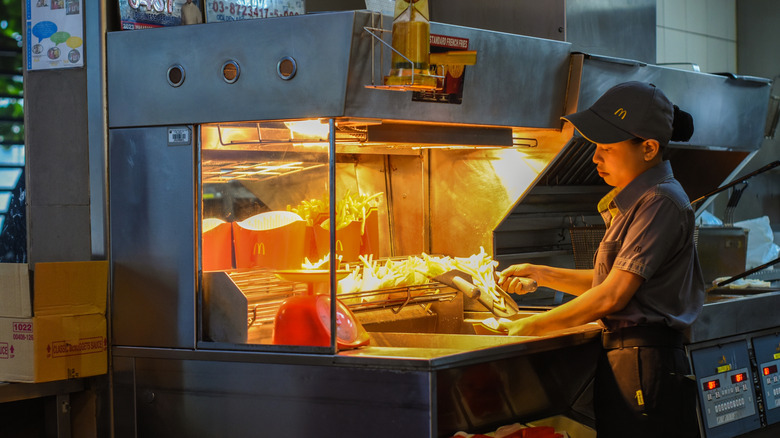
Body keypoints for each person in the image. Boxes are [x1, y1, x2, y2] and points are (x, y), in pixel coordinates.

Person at [498, 81, 704, 437]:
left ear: (649, 148)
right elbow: (608, 283)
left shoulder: (660, 202)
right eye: (594, 148)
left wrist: (529, 328)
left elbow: (613, 296)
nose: (595, 158)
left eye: (606, 148)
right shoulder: (635, 202)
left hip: (645, 361)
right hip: (628, 359)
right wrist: (541, 273)